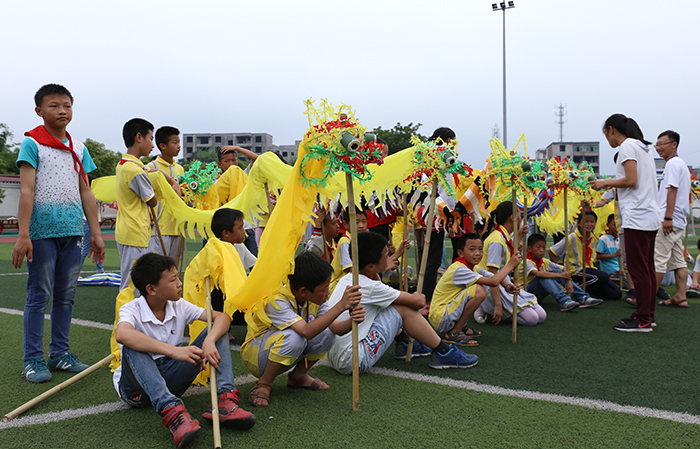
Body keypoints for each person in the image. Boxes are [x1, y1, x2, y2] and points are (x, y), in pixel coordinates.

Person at [12, 83, 105, 383]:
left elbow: (86, 192)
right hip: (41, 232)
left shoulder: (79, 148)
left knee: (66, 296)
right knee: (39, 295)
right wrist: (23, 234)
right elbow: (26, 191)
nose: (62, 110)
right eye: (54, 105)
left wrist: (96, 232)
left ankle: (60, 354)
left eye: (67, 105)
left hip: (73, 232)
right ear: (39, 111)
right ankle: (32, 359)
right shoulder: (32, 144)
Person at [114, 253, 255, 448]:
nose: (180, 283)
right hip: (137, 390)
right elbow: (122, 335)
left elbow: (223, 318)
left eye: (178, 278)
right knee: (132, 346)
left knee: (217, 330)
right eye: (173, 280)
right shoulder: (132, 308)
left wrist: (210, 341)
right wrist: (173, 351)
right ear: (151, 289)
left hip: (170, 378)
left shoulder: (178, 305)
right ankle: (173, 412)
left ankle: (225, 400)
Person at [327, 232, 478, 373]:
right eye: (386, 257)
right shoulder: (371, 286)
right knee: (402, 307)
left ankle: (405, 342)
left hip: (335, 357)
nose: (389, 259)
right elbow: (417, 302)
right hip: (353, 361)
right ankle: (444, 352)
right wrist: (420, 295)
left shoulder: (348, 279)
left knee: (388, 304)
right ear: (371, 266)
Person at [241, 252, 363, 407]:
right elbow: (306, 331)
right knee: (295, 337)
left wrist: (353, 320)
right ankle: (264, 383)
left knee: (327, 333)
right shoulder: (276, 300)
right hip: (257, 356)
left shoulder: (314, 299)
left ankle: (298, 376)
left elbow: (336, 328)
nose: (328, 292)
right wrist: (340, 306)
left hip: (281, 346)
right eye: (324, 288)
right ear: (304, 291)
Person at [590, 113, 661, 332]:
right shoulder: (642, 147)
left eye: (606, 135)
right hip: (647, 216)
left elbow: (631, 180)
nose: (608, 140)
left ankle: (643, 319)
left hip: (637, 218)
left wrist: (604, 182)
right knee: (647, 269)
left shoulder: (628, 147)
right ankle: (647, 314)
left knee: (639, 270)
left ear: (611, 130)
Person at [430, 233, 522, 346]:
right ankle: (454, 332)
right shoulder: (459, 269)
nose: (477, 253)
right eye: (472, 249)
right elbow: (493, 282)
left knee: (479, 288)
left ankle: (462, 327)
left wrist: (507, 286)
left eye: (480, 249)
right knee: (479, 290)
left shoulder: (473, 268)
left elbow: (493, 276)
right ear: (460, 253)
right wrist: (510, 265)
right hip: (441, 318)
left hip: (446, 314)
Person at [474, 202, 546, 326]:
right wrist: (498, 305)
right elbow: (492, 275)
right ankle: (486, 307)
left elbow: (510, 250)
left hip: (504, 283)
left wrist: (508, 286)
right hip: (491, 287)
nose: (521, 218)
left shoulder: (503, 236)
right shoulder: (497, 240)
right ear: (512, 218)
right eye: (519, 215)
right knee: (532, 319)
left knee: (542, 316)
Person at [116, 118, 159, 292]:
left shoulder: (125, 165)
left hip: (128, 229)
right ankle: (124, 317)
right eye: (151, 138)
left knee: (134, 280)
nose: (152, 145)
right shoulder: (134, 171)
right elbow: (152, 200)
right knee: (131, 283)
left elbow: (148, 170)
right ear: (139, 137)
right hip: (134, 231)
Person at [653, 130, 691, 308]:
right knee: (678, 260)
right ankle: (680, 296)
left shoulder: (672, 164)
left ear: (674, 144)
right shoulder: (680, 164)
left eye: (661, 144)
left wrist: (667, 217)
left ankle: (646, 297)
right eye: (657, 144)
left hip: (670, 219)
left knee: (658, 258)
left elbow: (672, 190)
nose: (658, 148)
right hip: (678, 220)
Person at [549, 210, 621, 301]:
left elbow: (594, 257)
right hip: (576, 271)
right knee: (603, 276)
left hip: (590, 270)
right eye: (586, 221)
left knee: (616, 294)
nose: (589, 224)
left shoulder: (593, 238)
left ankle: (589, 289)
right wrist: (560, 272)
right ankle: (575, 287)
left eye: (592, 221)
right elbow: (552, 251)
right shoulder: (571, 238)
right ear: (579, 223)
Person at [522, 233, 602, 311]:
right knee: (542, 276)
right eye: (538, 247)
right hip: (525, 295)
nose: (542, 250)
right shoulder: (526, 262)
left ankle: (582, 297)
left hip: (537, 295)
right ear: (529, 249)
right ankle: (564, 300)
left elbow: (563, 268)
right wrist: (561, 275)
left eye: (544, 247)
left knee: (557, 271)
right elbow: (538, 274)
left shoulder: (544, 261)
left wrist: (568, 280)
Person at [148, 126, 184, 262]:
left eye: (179, 142)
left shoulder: (180, 168)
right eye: (175, 142)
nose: (179, 146)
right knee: (158, 266)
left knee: (174, 266)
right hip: (160, 227)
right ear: (162, 146)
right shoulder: (152, 167)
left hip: (178, 226)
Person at [215, 145, 258, 256]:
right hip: (227, 232)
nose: (231, 164)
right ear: (219, 164)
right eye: (226, 161)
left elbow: (257, 159)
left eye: (234, 160)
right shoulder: (217, 183)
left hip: (246, 228)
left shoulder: (243, 175)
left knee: (255, 263)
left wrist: (238, 148)